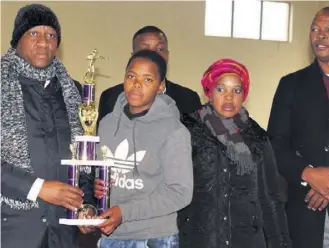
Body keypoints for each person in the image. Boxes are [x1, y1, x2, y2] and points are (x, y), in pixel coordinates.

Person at [1, 4, 94, 248]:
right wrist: (37, 187)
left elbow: (83, 157)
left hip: (63, 231)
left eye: (51, 35)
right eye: (34, 33)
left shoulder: (71, 91)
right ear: (17, 40)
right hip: (13, 229)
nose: (43, 42)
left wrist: (87, 203)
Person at [267, 6, 329, 248]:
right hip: (305, 212)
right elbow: (275, 143)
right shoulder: (291, 84)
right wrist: (309, 174)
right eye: (315, 29)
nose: (319, 36)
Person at [178, 59, 292, 248]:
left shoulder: (257, 137)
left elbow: (270, 198)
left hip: (246, 240)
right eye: (221, 89)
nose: (229, 97)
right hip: (199, 240)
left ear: (244, 94)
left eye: (236, 90)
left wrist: (280, 243)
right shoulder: (188, 130)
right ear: (209, 91)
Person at [91, 49, 193, 248]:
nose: (137, 84)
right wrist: (98, 187)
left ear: (161, 86)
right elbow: (100, 172)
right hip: (111, 236)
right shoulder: (107, 124)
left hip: (154, 237)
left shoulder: (174, 131)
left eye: (147, 79)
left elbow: (180, 192)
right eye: (131, 76)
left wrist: (125, 212)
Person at [97, 25, 202, 124]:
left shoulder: (188, 98)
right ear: (133, 56)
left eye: (160, 49)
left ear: (168, 54)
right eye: (145, 50)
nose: (153, 55)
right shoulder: (111, 97)